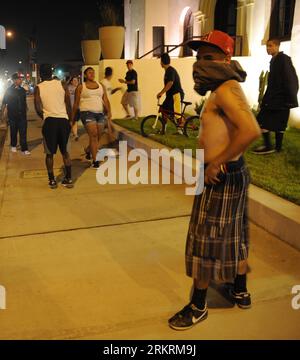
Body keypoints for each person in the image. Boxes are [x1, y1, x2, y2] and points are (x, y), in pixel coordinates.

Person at [168, 30, 261, 331]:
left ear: (226, 58)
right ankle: (240, 289)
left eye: (208, 58)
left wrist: (216, 163)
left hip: (220, 174)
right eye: (198, 58)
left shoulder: (225, 90)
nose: (200, 64)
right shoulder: (223, 87)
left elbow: (250, 130)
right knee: (235, 235)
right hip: (230, 172)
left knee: (203, 243)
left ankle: (198, 306)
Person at [253, 38, 299, 154]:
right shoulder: (274, 60)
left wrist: (290, 99)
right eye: (267, 46)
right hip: (275, 98)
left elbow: (291, 79)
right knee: (274, 122)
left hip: (280, 99)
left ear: (277, 46)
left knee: (265, 121)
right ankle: (276, 148)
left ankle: (270, 147)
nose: (268, 48)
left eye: (271, 46)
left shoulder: (283, 59)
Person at [34, 64, 73, 189]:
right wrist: (70, 120)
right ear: (51, 73)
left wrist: (45, 116)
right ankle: (69, 178)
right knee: (65, 152)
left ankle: (52, 180)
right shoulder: (62, 84)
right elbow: (68, 104)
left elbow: (37, 107)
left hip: (50, 122)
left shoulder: (38, 87)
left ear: (40, 74)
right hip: (63, 121)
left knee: (49, 153)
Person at [72, 67, 112, 168]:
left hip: (100, 113)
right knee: (93, 135)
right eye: (89, 73)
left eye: (93, 72)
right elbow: (76, 103)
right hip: (86, 113)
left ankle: (88, 150)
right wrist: (72, 118)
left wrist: (109, 111)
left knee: (99, 135)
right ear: (85, 75)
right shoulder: (81, 87)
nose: (92, 74)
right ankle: (95, 161)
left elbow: (105, 99)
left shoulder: (100, 85)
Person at [1, 73, 30, 155]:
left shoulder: (22, 90)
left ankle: (24, 149)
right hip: (12, 116)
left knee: (23, 132)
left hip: (22, 116)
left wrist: (26, 107)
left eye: (20, 79)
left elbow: (24, 101)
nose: (20, 80)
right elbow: (4, 103)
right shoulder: (9, 91)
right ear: (14, 80)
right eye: (18, 79)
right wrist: (2, 115)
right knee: (13, 131)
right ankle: (13, 145)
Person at [157, 53, 184, 119]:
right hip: (170, 96)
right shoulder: (168, 71)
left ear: (162, 62)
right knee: (163, 109)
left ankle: (181, 126)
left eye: (161, 61)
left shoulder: (170, 70)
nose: (160, 63)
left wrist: (161, 93)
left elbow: (170, 83)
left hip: (176, 95)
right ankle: (164, 128)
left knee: (177, 115)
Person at [68, 76, 80, 141]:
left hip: (77, 108)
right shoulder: (68, 88)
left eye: (77, 81)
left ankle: (75, 134)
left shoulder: (80, 88)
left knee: (75, 121)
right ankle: (73, 133)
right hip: (70, 108)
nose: (76, 82)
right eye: (74, 80)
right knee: (71, 121)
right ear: (71, 82)